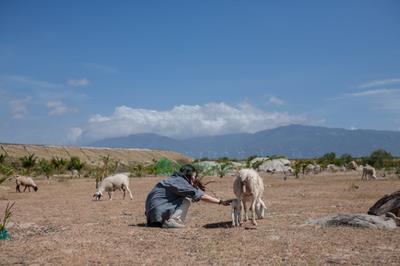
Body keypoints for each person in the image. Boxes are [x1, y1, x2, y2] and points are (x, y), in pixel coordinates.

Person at [145, 164, 230, 228]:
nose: (194, 178)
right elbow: (201, 196)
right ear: (189, 175)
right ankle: (172, 221)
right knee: (186, 199)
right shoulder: (181, 182)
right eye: (194, 176)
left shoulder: (173, 179)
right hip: (157, 211)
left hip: (151, 215)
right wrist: (220, 202)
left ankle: (162, 221)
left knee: (183, 197)